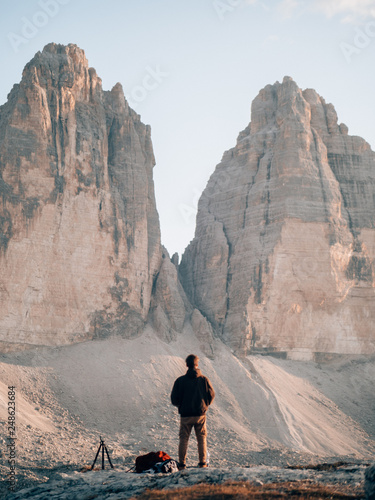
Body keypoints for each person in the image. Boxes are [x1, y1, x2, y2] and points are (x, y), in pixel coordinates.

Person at [171, 354, 215, 469]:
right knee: (201, 438)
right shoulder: (204, 379)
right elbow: (211, 395)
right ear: (197, 364)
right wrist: (205, 405)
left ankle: (182, 464)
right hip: (200, 414)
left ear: (186, 365)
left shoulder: (180, 380)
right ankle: (202, 463)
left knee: (184, 438)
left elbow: (174, 399)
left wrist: (181, 406)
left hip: (185, 415)